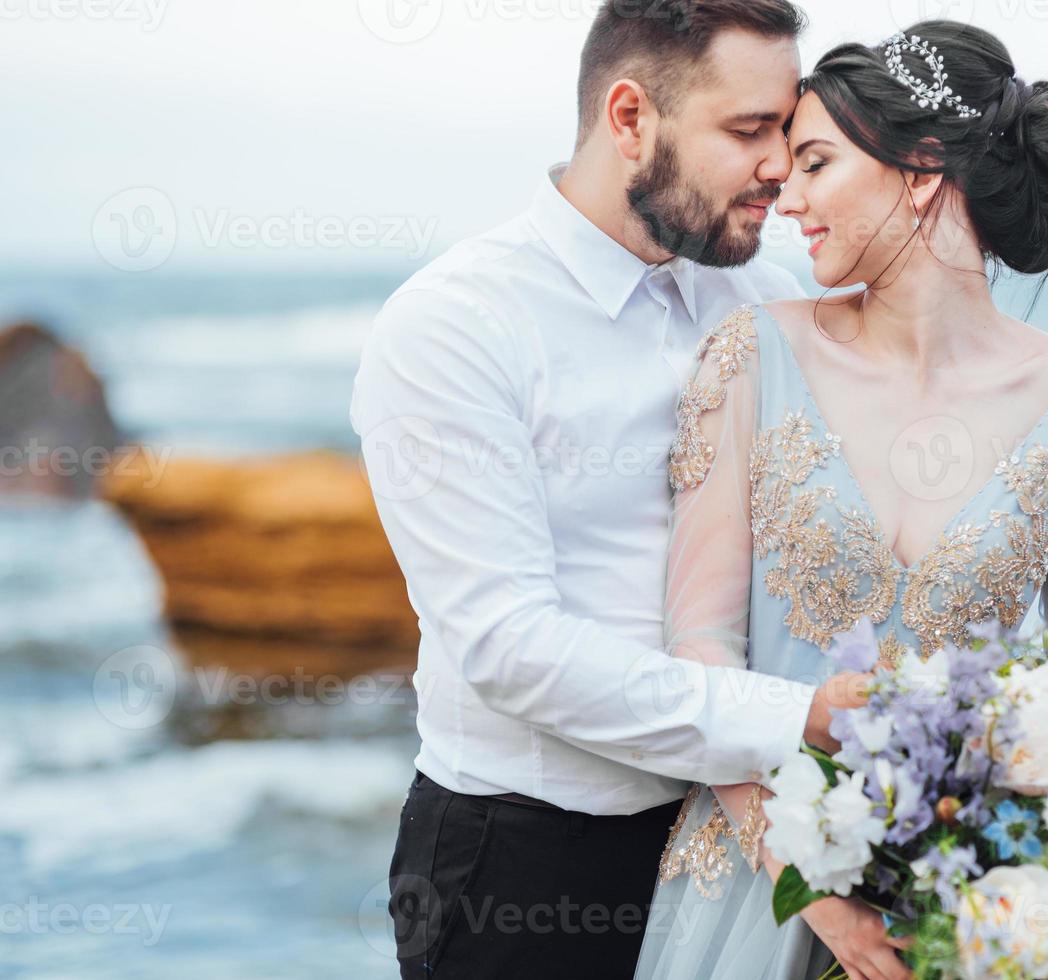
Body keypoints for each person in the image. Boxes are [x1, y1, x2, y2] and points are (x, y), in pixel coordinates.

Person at [348, 2, 872, 977]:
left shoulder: (763, 298)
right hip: (526, 864)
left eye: (788, 132)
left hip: (744, 844)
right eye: (747, 130)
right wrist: (795, 713)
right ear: (630, 118)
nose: (779, 166)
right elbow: (510, 646)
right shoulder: (456, 325)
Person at [636, 20, 1048, 980]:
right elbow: (699, 650)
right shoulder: (750, 357)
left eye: (817, 163)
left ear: (919, 170)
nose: (786, 195)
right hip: (749, 889)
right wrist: (822, 902)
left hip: (963, 914)